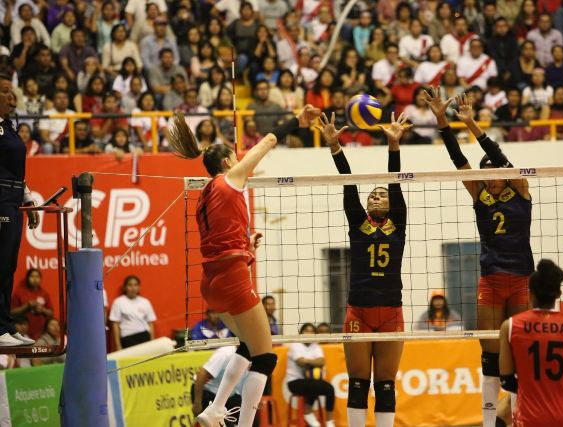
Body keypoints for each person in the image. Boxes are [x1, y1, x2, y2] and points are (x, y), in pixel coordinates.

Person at [168, 105, 320, 427]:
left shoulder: (204, 195)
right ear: (227, 163)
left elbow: (218, 240)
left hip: (212, 284)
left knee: (247, 347)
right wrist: (297, 120)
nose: (240, 164)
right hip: (232, 281)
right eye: (235, 159)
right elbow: (267, 141)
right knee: (266, 357)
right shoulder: (230, 179)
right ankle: (244, 424)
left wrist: (246, 248)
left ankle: (214, 409)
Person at [423, 87, 533, 427]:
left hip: (520, 281)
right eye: (486, 174)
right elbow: (459, 160)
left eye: (495, 172)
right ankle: (488, 423)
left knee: (519, 352)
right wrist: (442, 120)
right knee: (490, 356)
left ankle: (519, 418)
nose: (491, 178)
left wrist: (471, 124)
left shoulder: (521, 190)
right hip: (491, 279)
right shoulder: (479, 194)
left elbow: (498, 154)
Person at [317, 111, 410, 427]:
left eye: (381, 193)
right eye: (373, 195)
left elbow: (395, 184)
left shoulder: (398, 224)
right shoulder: (359, 225)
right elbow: (349, 187)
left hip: (391, 312)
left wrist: (393, 145)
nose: (376, 195)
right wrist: (334, 147)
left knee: (385, 385)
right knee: (358, 383)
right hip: (358, 311)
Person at [499, 259, 563, 427]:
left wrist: (532, 390)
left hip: (531, 420)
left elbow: (506, 380)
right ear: (558, 294)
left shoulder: (511, 326)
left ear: (530, 294)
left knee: (499, 415)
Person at [0, 76, 38, 346]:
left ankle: (6, 325)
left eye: (12, 92)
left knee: (9, 266)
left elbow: (17, 171)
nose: (11, 97)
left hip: (13, 197)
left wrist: (28, 199)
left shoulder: (9, 127)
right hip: (0, 198)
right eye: (5, 92)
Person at [286, 323, 336, 427]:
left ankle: (329, 422)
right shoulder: (296, 345)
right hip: (294, 382)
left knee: (330, 389)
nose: (309, 333)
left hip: (311, 381)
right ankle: (307, 412)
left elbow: (322, 362)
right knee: (315, 384)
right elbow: (300, 362)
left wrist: (307, 361)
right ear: (301, 333)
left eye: (312, 331)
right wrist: (314, 361)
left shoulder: (315, 346)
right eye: (306, 331)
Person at [192, 346, 245, 427]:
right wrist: (197, 402)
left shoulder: (254, 358)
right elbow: (202, 373)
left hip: (230, 395)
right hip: (207, 392)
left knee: (252, 421)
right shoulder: (225, 353)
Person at [109, 275, 157, 350]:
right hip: (127, 338)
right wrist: (118, 345)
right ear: (125, 287)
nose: (133, 288)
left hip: (144, 336)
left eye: (135, 285)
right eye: (130, 285)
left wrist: (152, 342)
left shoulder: (145, 302)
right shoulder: (118, 302)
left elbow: (150, 323)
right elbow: (115, 325)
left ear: (139, 287)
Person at [10, 268, 53, 340]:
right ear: (27, 278)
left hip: (41, 332)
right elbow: (12, 312)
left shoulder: (44, 293)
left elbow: (51, 313)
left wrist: (42, 310)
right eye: (32, 276)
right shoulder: (19, 293)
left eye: (37, 277)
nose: (35, 279)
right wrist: (27, 306)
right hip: (22, 332)